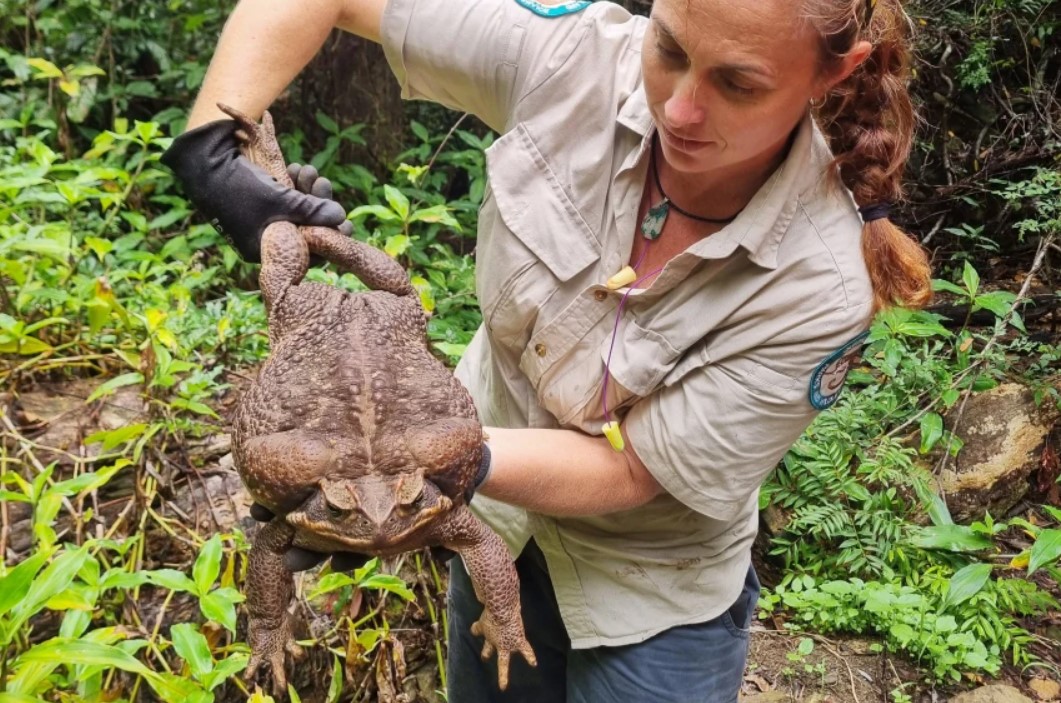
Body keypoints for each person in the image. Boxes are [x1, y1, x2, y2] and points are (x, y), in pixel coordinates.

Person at [162, 0, 932, 700]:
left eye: (739, 83)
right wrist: (211, 152)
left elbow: (634, 468)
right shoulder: (573, 59)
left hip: (649, 591)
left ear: (835, 72)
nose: (681, 105)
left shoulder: (822, 283)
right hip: (494, 528)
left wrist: (414, 467)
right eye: (667, 48)